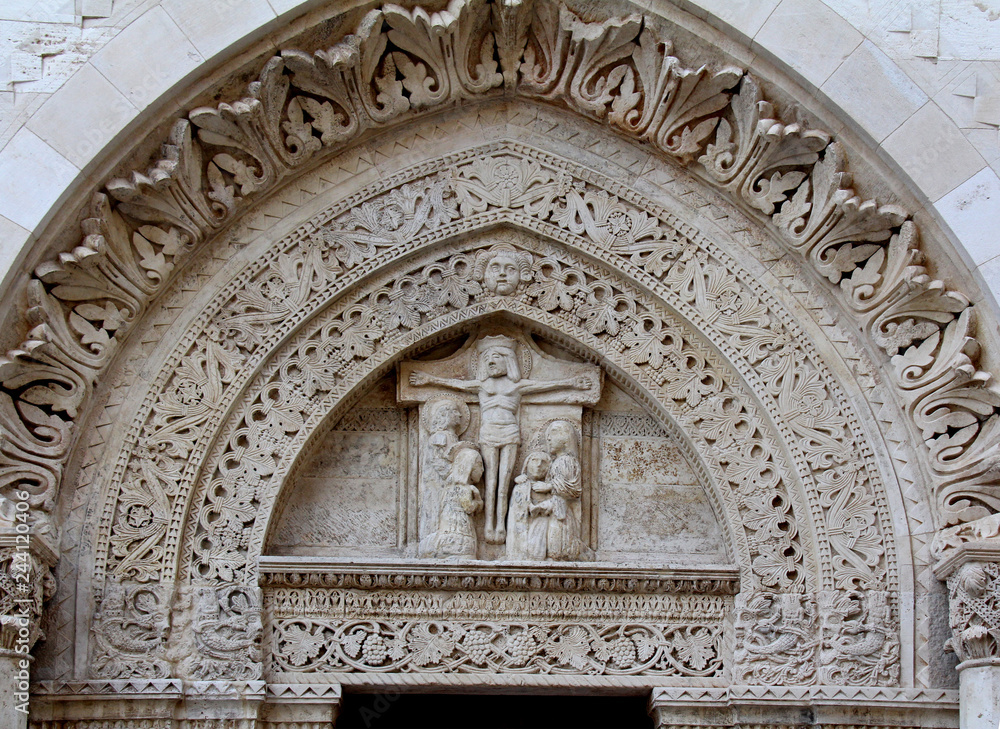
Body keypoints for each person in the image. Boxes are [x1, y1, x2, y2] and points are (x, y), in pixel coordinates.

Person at [409, 336, 591, 543]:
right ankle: (488, 526)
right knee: (491, 481)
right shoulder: (482, 385)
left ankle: (501, 526)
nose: (490, 362)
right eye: (487, 358)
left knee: (504, 483)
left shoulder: (516, 387)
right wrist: (428, 380)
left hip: (510, 433)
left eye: (496, 357)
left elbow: (545, 386)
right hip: (488, 434)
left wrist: (573, 383)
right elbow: (455, 385)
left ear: (509, 360)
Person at [430, 443, 484, 559]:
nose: (482, 470)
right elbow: (469, 508)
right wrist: (478, 500)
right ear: (469, 467)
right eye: (479, 465)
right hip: (459, 529)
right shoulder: (464, 489)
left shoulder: (449, 488)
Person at [506, 451, 550, 560]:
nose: (539, 464)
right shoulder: (520, 487)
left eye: (543, 462)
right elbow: (516, 512)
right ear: (526, 464)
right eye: (534, 460)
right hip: (521, 533)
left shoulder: (549, 488)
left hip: (540, 529)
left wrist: (549, 488)